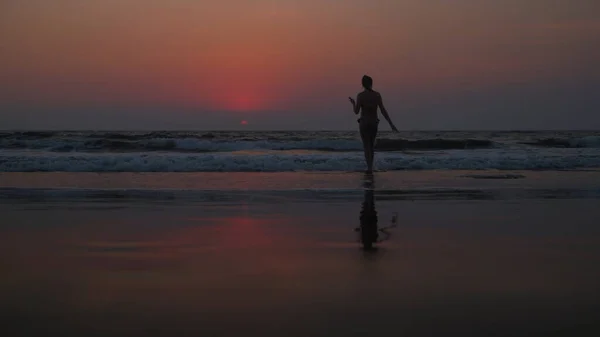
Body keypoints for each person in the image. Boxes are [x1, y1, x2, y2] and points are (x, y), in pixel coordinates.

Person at [349, 75, 398, 173]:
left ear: (362, 84)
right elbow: (383, 110)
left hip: (364, 123)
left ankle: (369, 167)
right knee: (371, 146)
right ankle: (371, 166)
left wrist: (353, 103)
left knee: (366, 146)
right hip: (373, 123)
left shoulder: (360, 96)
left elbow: (356, 112)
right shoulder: (377, 95)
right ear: (371, 83)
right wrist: (391, 124)